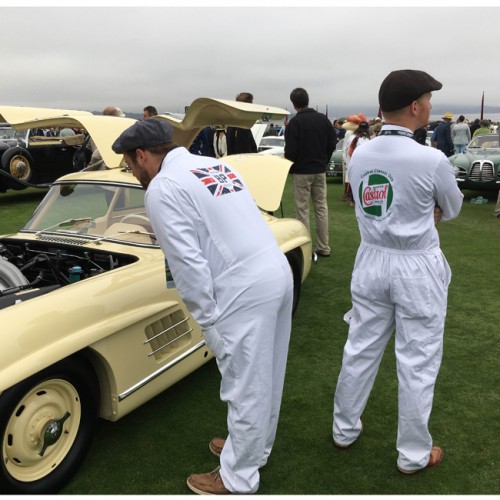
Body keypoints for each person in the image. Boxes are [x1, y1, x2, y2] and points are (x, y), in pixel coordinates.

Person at [111, 119, 294, 495]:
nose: (132, 172)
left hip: (241, 287)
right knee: (266, 375)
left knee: (244, 384)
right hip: (274, 269)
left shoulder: (162, 188)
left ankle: (237, 478)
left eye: (130, 164)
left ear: (142, 156)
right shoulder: (213, 164)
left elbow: (187, 264)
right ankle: (252, 448)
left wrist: (208, 321)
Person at [332, 69, 463, 475]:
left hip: (371, 258)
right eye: (427, 99)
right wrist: (429, 210)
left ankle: (343, 429)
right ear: (414, 106)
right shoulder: (431, 158)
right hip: (414, 263)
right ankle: (411, 454)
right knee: (418, 359)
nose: (429, 105)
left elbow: (365, 201)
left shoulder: (360, 151)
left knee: (360, 347)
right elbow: (452, 207)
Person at [284, 87, 336, 257]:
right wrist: (323, 161)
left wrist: (292, 167)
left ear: (293, 103)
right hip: (319, 170)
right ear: (307, 100)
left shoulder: (295, 123)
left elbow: (290, 151)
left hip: (302, 172)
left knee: (302, 210)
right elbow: (332, 144)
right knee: (321, 208)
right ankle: (324, 247)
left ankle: (305, 249)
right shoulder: (323, 120)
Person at [344, 121, 370, 206]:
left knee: (353, 182)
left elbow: (347, 150)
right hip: (360, 163)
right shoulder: (365, 139)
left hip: (351, 163)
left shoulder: (352, 137)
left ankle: (352, 200)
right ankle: (356, 200)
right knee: (361, 182)